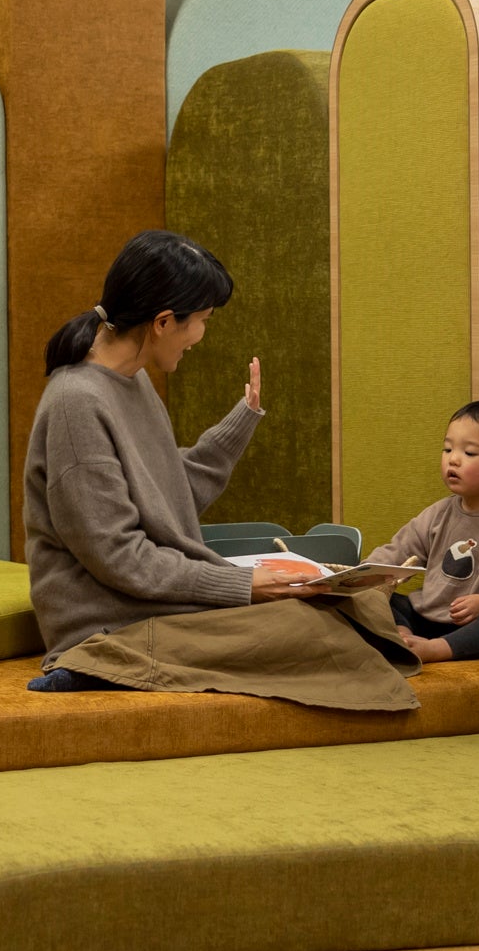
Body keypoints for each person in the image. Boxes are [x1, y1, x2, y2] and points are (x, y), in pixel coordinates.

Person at [23, 229, 417, 712]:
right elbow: (120, 558)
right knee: (310, 629)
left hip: (154, 602)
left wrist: (240, 422)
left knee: (355, 605)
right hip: (111, 622)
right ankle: (95, 666)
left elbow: (168, 498)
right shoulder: (76, 403)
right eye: (202, 321)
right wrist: (242, 585)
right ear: (163, 322)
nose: (201, 337)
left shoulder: (132, 381)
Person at [371, 400, 479, 664]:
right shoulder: (438, 513)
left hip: (472, 624)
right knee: (382, 600)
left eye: (469, 453)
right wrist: (361, 574)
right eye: (447, 449)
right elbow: (400, 550)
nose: (453, 459)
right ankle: (403, 636)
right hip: (426, 616)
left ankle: (436, 649)